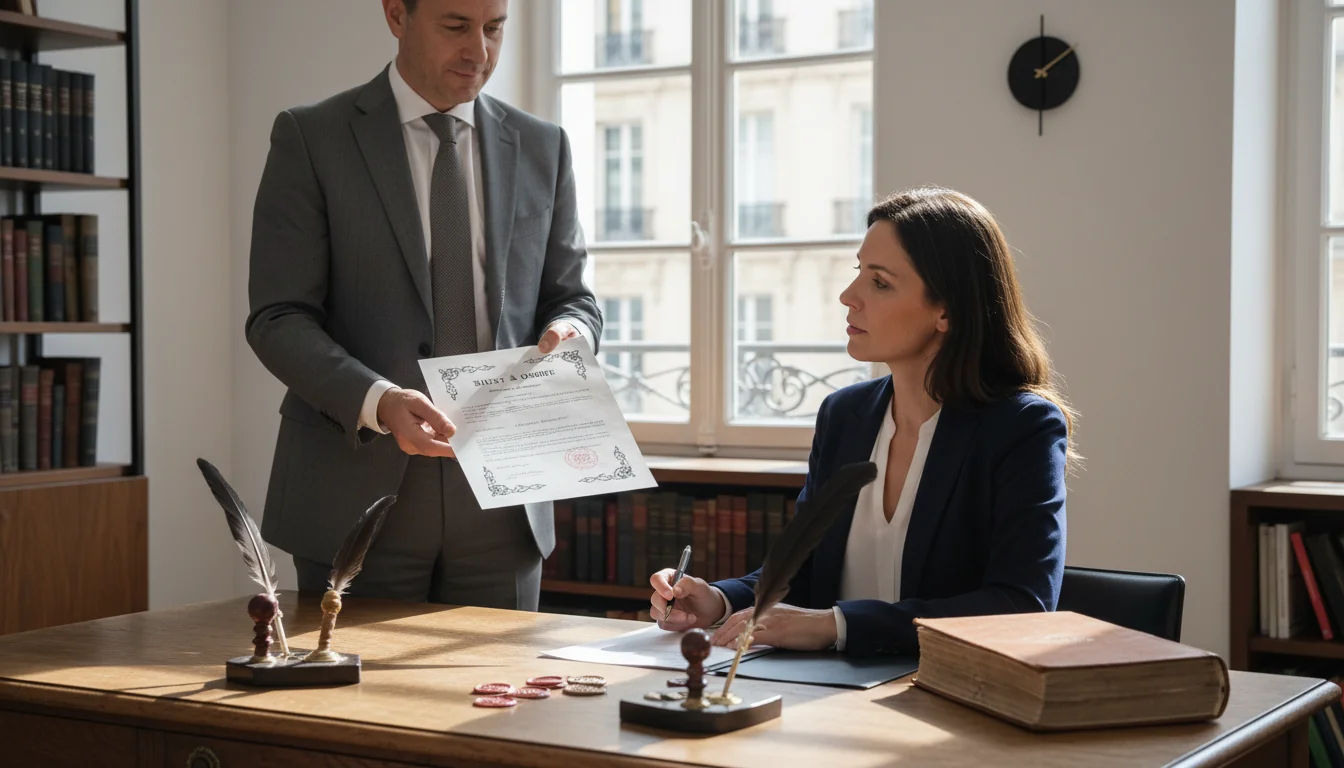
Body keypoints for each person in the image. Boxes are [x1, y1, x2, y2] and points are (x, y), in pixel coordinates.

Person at [246, 0, 601, 611]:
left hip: (506, 499)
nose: (479, 52)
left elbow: (573, 298)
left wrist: (571, 332)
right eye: (456, 26)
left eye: (494, 29)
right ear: (396, 15)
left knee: (499, 703)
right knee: (357, 705)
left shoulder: (545, 145)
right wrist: (378, 399)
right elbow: (277, 317)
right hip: (353, 492)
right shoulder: (311, 137)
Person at [649, 186, 1076, 657]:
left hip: (944, 699)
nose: (848, 296)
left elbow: (1021, 606)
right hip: (825, 695)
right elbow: (803, 573)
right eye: (859, 273)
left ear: (946, 311)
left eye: (880, 282)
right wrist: (719, 600)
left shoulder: (1022, 427)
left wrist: (836, 626)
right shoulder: (845, 415)